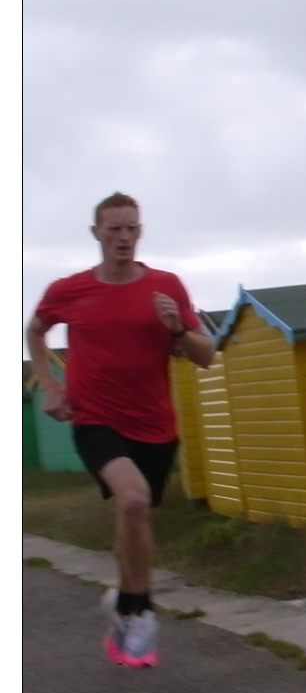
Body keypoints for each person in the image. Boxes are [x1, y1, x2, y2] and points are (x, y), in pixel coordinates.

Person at [26, 192, 215, 667]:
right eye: (114, 228)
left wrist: (175, 328)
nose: (123, 237)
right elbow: (35, 329)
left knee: (135, 518)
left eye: (131, 228)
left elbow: (205, 355)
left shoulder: (165, 286)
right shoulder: (69, 290)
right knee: (132, 501)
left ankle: (125, 607)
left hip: (154, 426)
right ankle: (142, 612)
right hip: (94, 419)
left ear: (140, 232)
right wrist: (50, 383)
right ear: (96, 234)